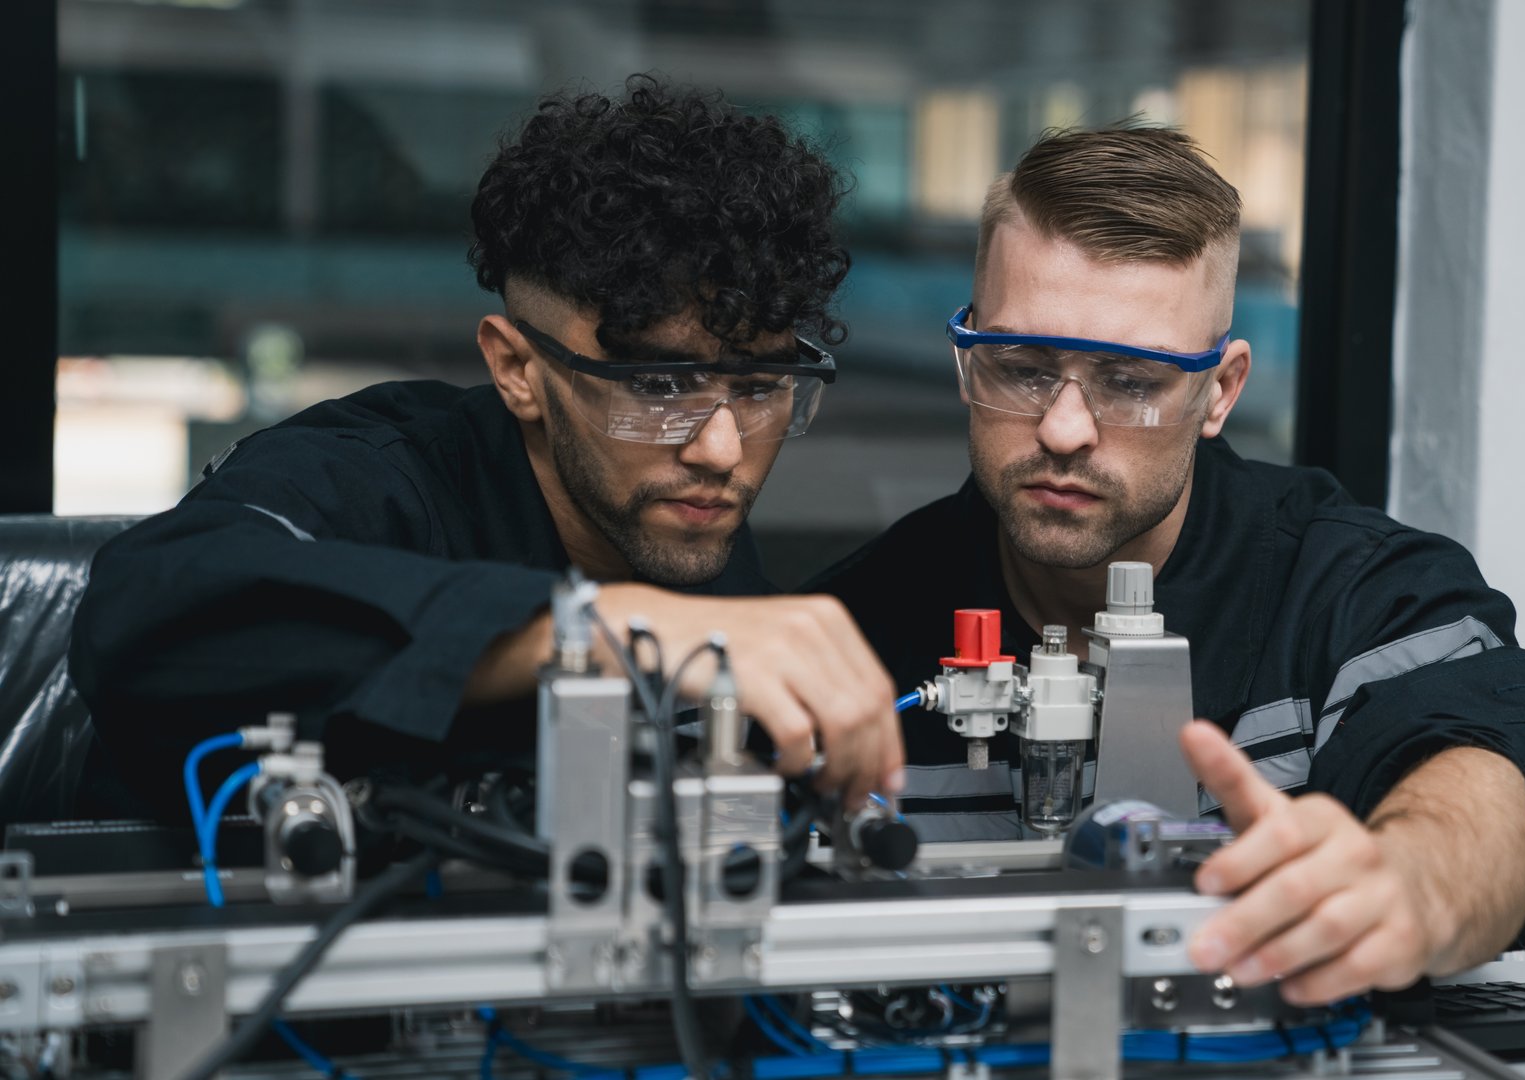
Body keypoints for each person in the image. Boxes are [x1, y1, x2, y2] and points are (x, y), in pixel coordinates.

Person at [808, 126, 1525, 1006]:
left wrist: (1408, 880)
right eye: (1019, 367)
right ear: (964, 356)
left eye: (1130, 381)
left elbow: (1480, 785)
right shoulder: (853, 629)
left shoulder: (1355, 595)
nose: (1063, 429)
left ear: (1219, 392)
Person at [69, 77, 903, 821]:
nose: (721, 451)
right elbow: (145, 613)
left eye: (758, 387)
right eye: (657, 387)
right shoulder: (368, 477)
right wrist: (599, 631)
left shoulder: (680, 518)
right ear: (516, 369)